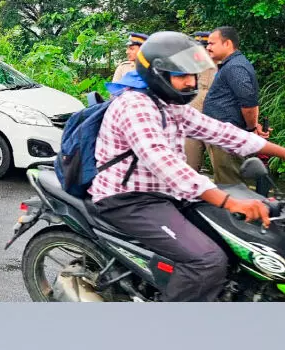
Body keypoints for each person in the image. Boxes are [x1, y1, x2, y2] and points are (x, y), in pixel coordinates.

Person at [87, 31, 285, 302]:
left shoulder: (169, 104)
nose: (191, 82)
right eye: (181, 75)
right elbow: (165, 164)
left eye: (193, 74)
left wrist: (281, 152)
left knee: (237, 240)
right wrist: (230, 202)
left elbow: (222, 132)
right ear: (157, 74)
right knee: (207, 261)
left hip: (168, 194)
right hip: (129, 200)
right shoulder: (135, 106)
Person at [203, 26, 269, 185]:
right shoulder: (231, 64)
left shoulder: (235, 67)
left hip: (227, 136)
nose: (208, 47)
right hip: (223, 133)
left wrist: (252, 129)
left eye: (212, 43)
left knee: (230, 184)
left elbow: (249, 102)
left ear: (227, 44)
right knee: (226, 181)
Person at [184, 31, 217, 172]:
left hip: (215, 122)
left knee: (221, 168)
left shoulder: (223, 66)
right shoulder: (187, 68)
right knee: (189, 166)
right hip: (191, 122)